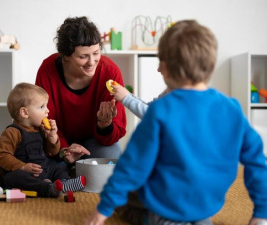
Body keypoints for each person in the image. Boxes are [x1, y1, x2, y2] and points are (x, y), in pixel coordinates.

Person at [85, 20, 267, 225]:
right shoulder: (231, 108)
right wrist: (261, 213)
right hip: (207, 203)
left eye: (159, 63)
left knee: (127, 200)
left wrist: (104, 208)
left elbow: (132, 165)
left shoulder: (160, 111)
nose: (157, 70)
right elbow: (257, 162)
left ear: (167, 68)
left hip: (166, 204)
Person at [35, 16, 126, 164]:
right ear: (66, 56)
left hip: (96, 142)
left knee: (112, 166)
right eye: (83, 56)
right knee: (39, 167)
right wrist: (63, 149)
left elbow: (114, 133)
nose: (92, 62)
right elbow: (43, 119)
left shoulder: (110, 72)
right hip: (55, 141)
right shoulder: (47, 70)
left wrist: (105, 125)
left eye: (96, 53)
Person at [0, 83, 86, 198]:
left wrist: (53, 136)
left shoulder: (40, 129)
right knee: (14, 178)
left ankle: (65, 183)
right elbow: (2, 155)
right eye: (41, 107)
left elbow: (52, 152)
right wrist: (23, 167)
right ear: (24, 112)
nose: (47, 111)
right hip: (23, 171)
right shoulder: (12, 132)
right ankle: (47, 188)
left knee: (57, 167)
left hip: (42, 168)